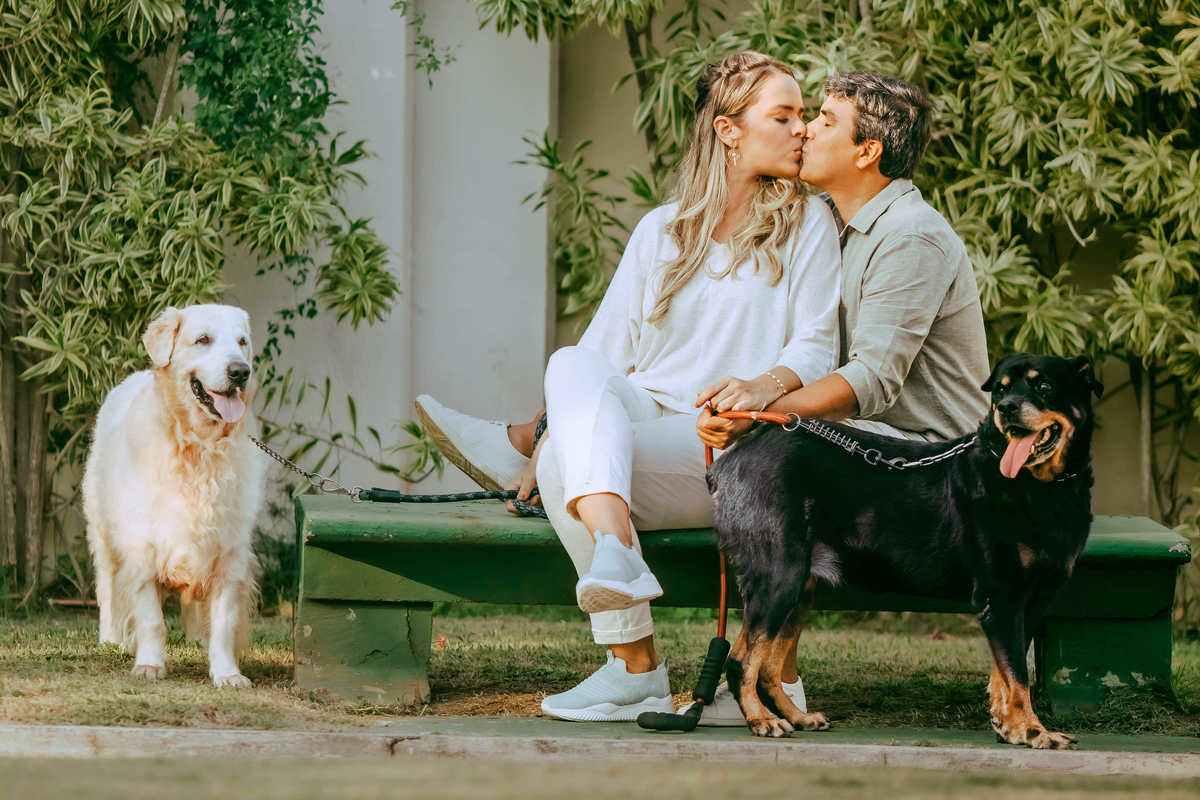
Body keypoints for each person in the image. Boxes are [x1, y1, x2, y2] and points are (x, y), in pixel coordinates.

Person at [415, 50, 842, 723]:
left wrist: (760, 386)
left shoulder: (807, 223)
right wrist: (556, 425)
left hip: (732, 438)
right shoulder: (662, 231)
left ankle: (632, 667)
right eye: (783, 116)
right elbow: (599, 360)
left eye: (802, 116)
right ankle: (616, 556)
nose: (802, 129)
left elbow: (819, 346)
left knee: (563, 461)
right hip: (641, 419)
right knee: (571, 367)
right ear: (729, 130)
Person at [685, 71, 991, 722]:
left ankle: (762, 678)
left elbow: (874, 379)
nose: (806, 130)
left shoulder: (909, 236)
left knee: (784, 457)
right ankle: (769, 676)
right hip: (876, 452)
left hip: (934, 465)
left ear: (866, 152)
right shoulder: (831, 223)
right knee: (775, 455)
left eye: (825, 120)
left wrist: (760, 411)